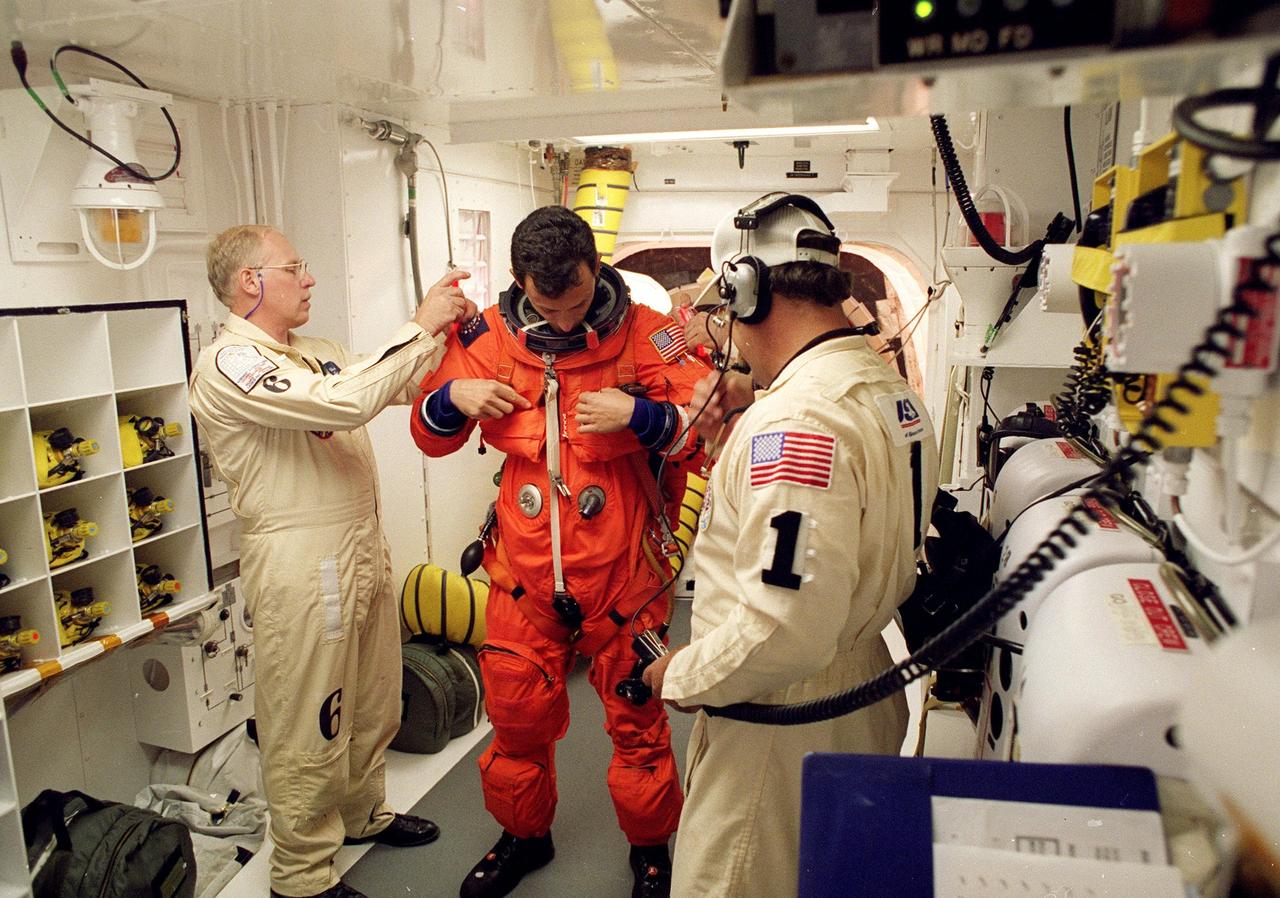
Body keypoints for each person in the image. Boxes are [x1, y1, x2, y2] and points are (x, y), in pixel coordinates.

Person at [642, 193, 939, 898]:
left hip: (782, 724)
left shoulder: (798, 420)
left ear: (745, 288)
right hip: (860, 693)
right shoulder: (885, 391)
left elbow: (784, 628)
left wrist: (679, 676)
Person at [409, 206, 710, 898]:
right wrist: (454, 395)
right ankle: (524, 838)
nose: (570, 323)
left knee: (638, 726)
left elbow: (707, 432)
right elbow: (431, 436)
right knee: (516, 722)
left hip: (624, 580)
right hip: (523, 581)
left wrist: (644, 417)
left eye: (579, 302)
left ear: (596, 271)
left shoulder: (649, 337)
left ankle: (651, 852)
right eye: (552, 306)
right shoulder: (485, 336)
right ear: (520, 282)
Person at [189, 225, 474, 898]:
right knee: (310, 712)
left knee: (373, 696)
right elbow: (340, 401)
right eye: (295, 267)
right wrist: (416, 325)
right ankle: (300, 873)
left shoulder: (312, 352)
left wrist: (441, 337)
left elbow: (383, 387)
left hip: (358, 541)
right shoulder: (229, 362)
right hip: (299, 554)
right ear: (249, 282)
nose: (309, 278)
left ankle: (362, 813)